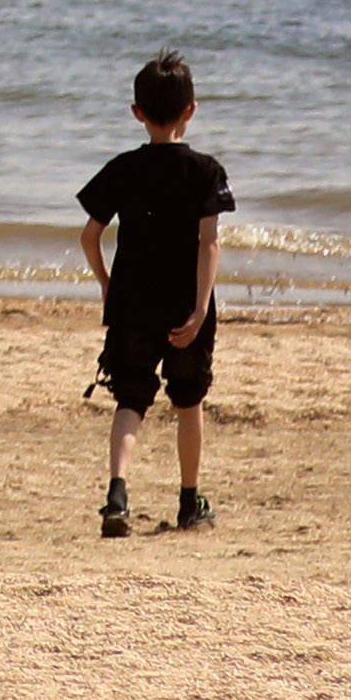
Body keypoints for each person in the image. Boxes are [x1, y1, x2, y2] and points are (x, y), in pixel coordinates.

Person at [77, 52, 232, 537]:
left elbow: (89, 235)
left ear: (137, 112)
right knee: (188, 401)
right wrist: (201, 305)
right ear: (192, 109)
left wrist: (107, 283)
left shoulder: (123, 168)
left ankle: (117, 495)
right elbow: (210, 243)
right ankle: (189, 500)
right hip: (185, 303)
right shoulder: (206, 171)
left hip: (133, 303)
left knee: (130, 399)